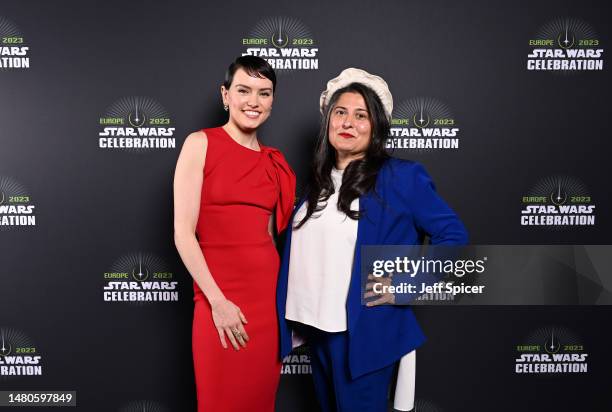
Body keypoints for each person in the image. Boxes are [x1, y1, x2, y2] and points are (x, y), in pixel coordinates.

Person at [276, 68, 468, 412]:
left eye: (361, 115)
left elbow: (453, 236)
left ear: (377, 126)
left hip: (363, 336)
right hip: (317, 332)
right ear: (328, 120)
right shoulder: (317, 183)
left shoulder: (401, 178)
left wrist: (406, 284)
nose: (348, 122)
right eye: (340, 112)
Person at [173, 55, 295, 412]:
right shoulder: (201, 143)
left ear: (272, 100)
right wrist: (218, 301)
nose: (253, 102)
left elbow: (271, 239)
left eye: (264, 93)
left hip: (267, 306)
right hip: (218, 302)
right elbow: (183, 233)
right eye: (244, 90)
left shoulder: (275, 162)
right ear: (225, 95)